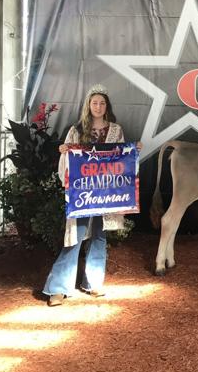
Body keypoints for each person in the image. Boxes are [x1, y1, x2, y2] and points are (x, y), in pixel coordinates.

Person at [44, 84, 139, 306]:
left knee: (99, 235)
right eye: (94, 102)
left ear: (107, 106)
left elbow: (121, 158)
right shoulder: (76, 130)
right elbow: (67, 163)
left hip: (105, 193)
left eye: (102, 103)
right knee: (75, 236)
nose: (98, 106)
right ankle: (57, 288)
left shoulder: (115, 130)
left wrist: (133, 149)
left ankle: (94, 282)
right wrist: (65, 152)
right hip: (83, 193)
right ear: (89, 105)